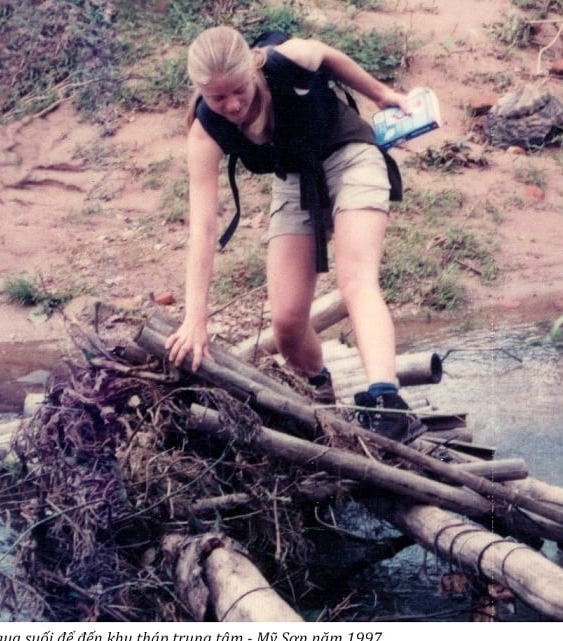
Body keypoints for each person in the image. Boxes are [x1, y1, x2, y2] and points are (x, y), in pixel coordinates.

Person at [164, 25, 423, 443]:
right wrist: (195, 318)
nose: (232, 105)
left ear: (251, 68)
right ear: (201, 92)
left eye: (239, 90)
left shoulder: (287, 60)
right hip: (296, 178)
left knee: (355, 280)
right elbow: (203, 228)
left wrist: (380, 94)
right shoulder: (206, 129)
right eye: (218, 97)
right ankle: (320, 398)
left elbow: (327, 54)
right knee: (286, 323)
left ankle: (388, 404)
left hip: (350, 154)